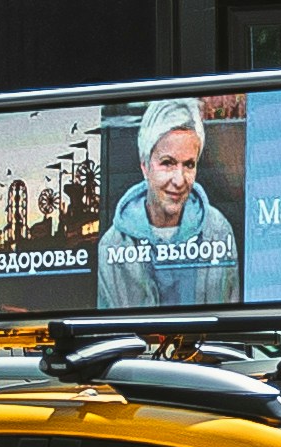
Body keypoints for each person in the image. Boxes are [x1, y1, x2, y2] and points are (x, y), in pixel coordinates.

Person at [95, 96, 241, 312]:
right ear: (145, 166)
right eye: (168, 163)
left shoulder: (218, 230)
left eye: (189, 165)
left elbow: (234, 326)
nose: (179, 180)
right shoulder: (113, 244)